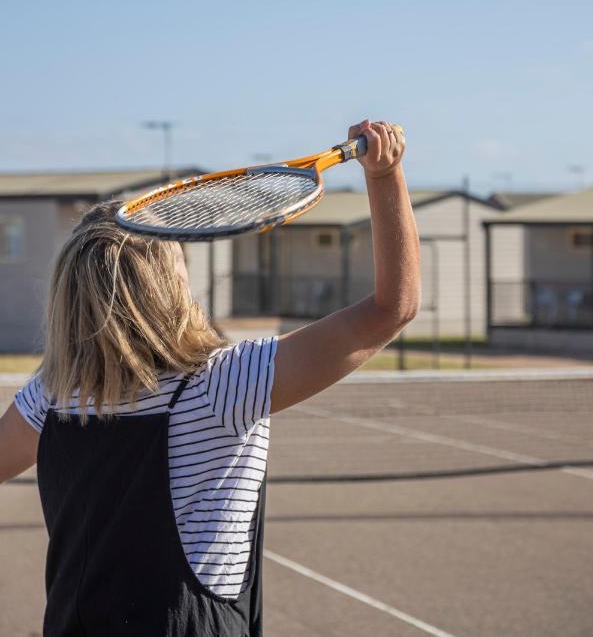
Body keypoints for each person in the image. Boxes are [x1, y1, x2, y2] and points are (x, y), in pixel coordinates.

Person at [0, 119, 420, 637]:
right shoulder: (220, 386)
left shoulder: (54, 394)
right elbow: (391, 308)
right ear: (165, 287)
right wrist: (385, 175)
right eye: (179, 257)